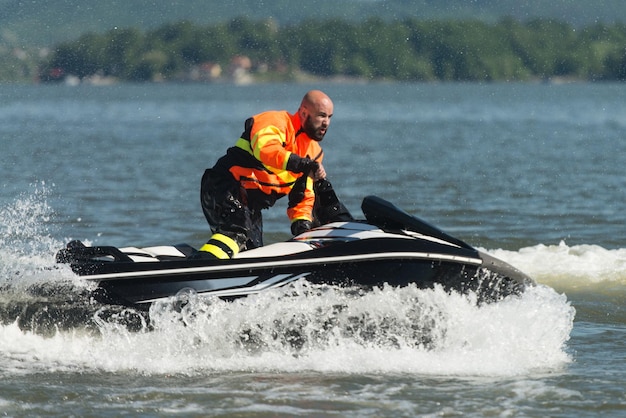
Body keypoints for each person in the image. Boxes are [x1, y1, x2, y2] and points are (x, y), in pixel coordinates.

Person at [197, 90, 334, 259]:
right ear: (304, 112)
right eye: (321, 116)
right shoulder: (276, 121)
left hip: (250, 203)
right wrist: (303, 164)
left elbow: (303, 198)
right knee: (236, 230)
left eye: (329, 117)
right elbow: (266, 150)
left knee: (251, 253)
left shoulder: (314, 153)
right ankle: (196, 268)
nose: (326, 123)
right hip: (224, 186)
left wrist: (303, 229)